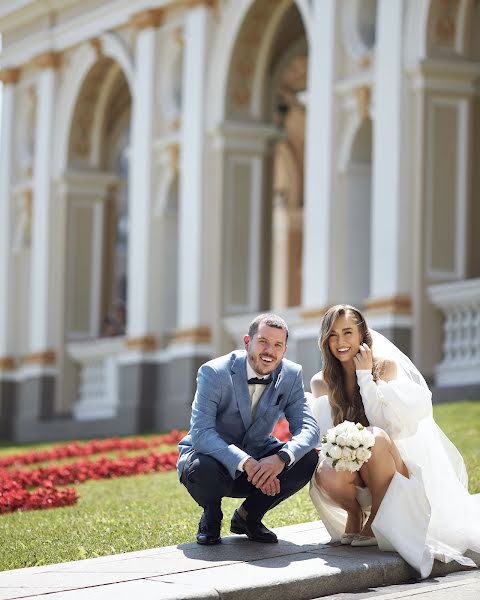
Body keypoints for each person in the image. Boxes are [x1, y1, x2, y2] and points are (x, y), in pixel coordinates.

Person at [307, 304, 480, 578]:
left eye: (348, 333)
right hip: (355, 475)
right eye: (333, 335)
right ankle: (355, 513)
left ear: (362, 334)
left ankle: (376, 519)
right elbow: (326, 438)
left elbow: (387, 426)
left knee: (374, 438)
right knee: (326, 467)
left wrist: (365, 376)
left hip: (390, 468)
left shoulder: (385, 369)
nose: (340, 342)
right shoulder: (321, 383)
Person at [177, 313, 320, 545]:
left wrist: (281, 458)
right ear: (247, 342)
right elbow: (201, 433)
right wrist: (245, 462)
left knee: (307, 459)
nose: (269, 351)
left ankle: (248, 517)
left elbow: (309, 429)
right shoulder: (214, 372)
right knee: (201, 469)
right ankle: (211, 516)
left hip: (260, 460)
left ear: (284, 350)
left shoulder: (291, 375)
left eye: (277, 345)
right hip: (214, 460)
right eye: (263, 341)